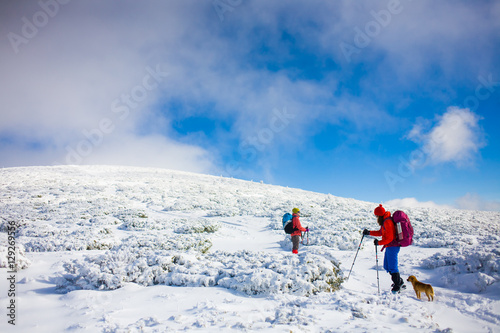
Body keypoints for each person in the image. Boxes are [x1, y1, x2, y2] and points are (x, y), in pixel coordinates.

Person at [363, 204, 405, 293]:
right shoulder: (385, 221)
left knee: (392, 267)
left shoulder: (387, 222)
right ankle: (398, 281)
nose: (376, 217)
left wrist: (379, 243)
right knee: (387, 266)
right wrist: (369, 232)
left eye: (376, 216)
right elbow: (380, 232)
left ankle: (398, 285)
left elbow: (390, 238)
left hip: (393, 246)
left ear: (379, 215)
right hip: (389, 246)